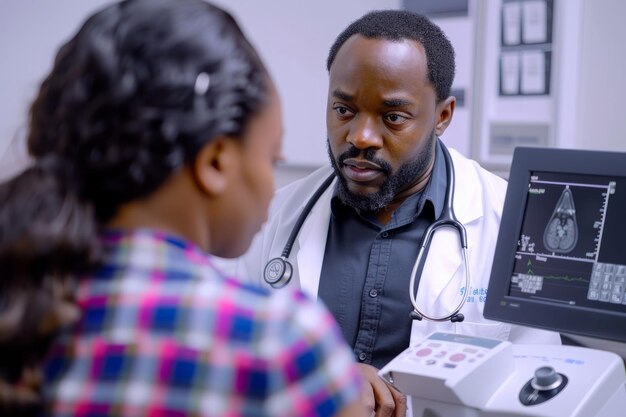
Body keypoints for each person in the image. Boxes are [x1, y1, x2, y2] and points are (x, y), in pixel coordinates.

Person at [0, 0, 368, 416]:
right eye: (272, 159)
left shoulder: (20, 305)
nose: (272, 186)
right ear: (214, 162)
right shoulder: (280, 344)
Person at [226, 9, 562, 417]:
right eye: (344, 110)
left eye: (393, 117)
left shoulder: (511, 224)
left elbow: (542, 393)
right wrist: (316, 378)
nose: (360, 136)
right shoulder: (276, 214)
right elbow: (225, 356)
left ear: (442, 116)